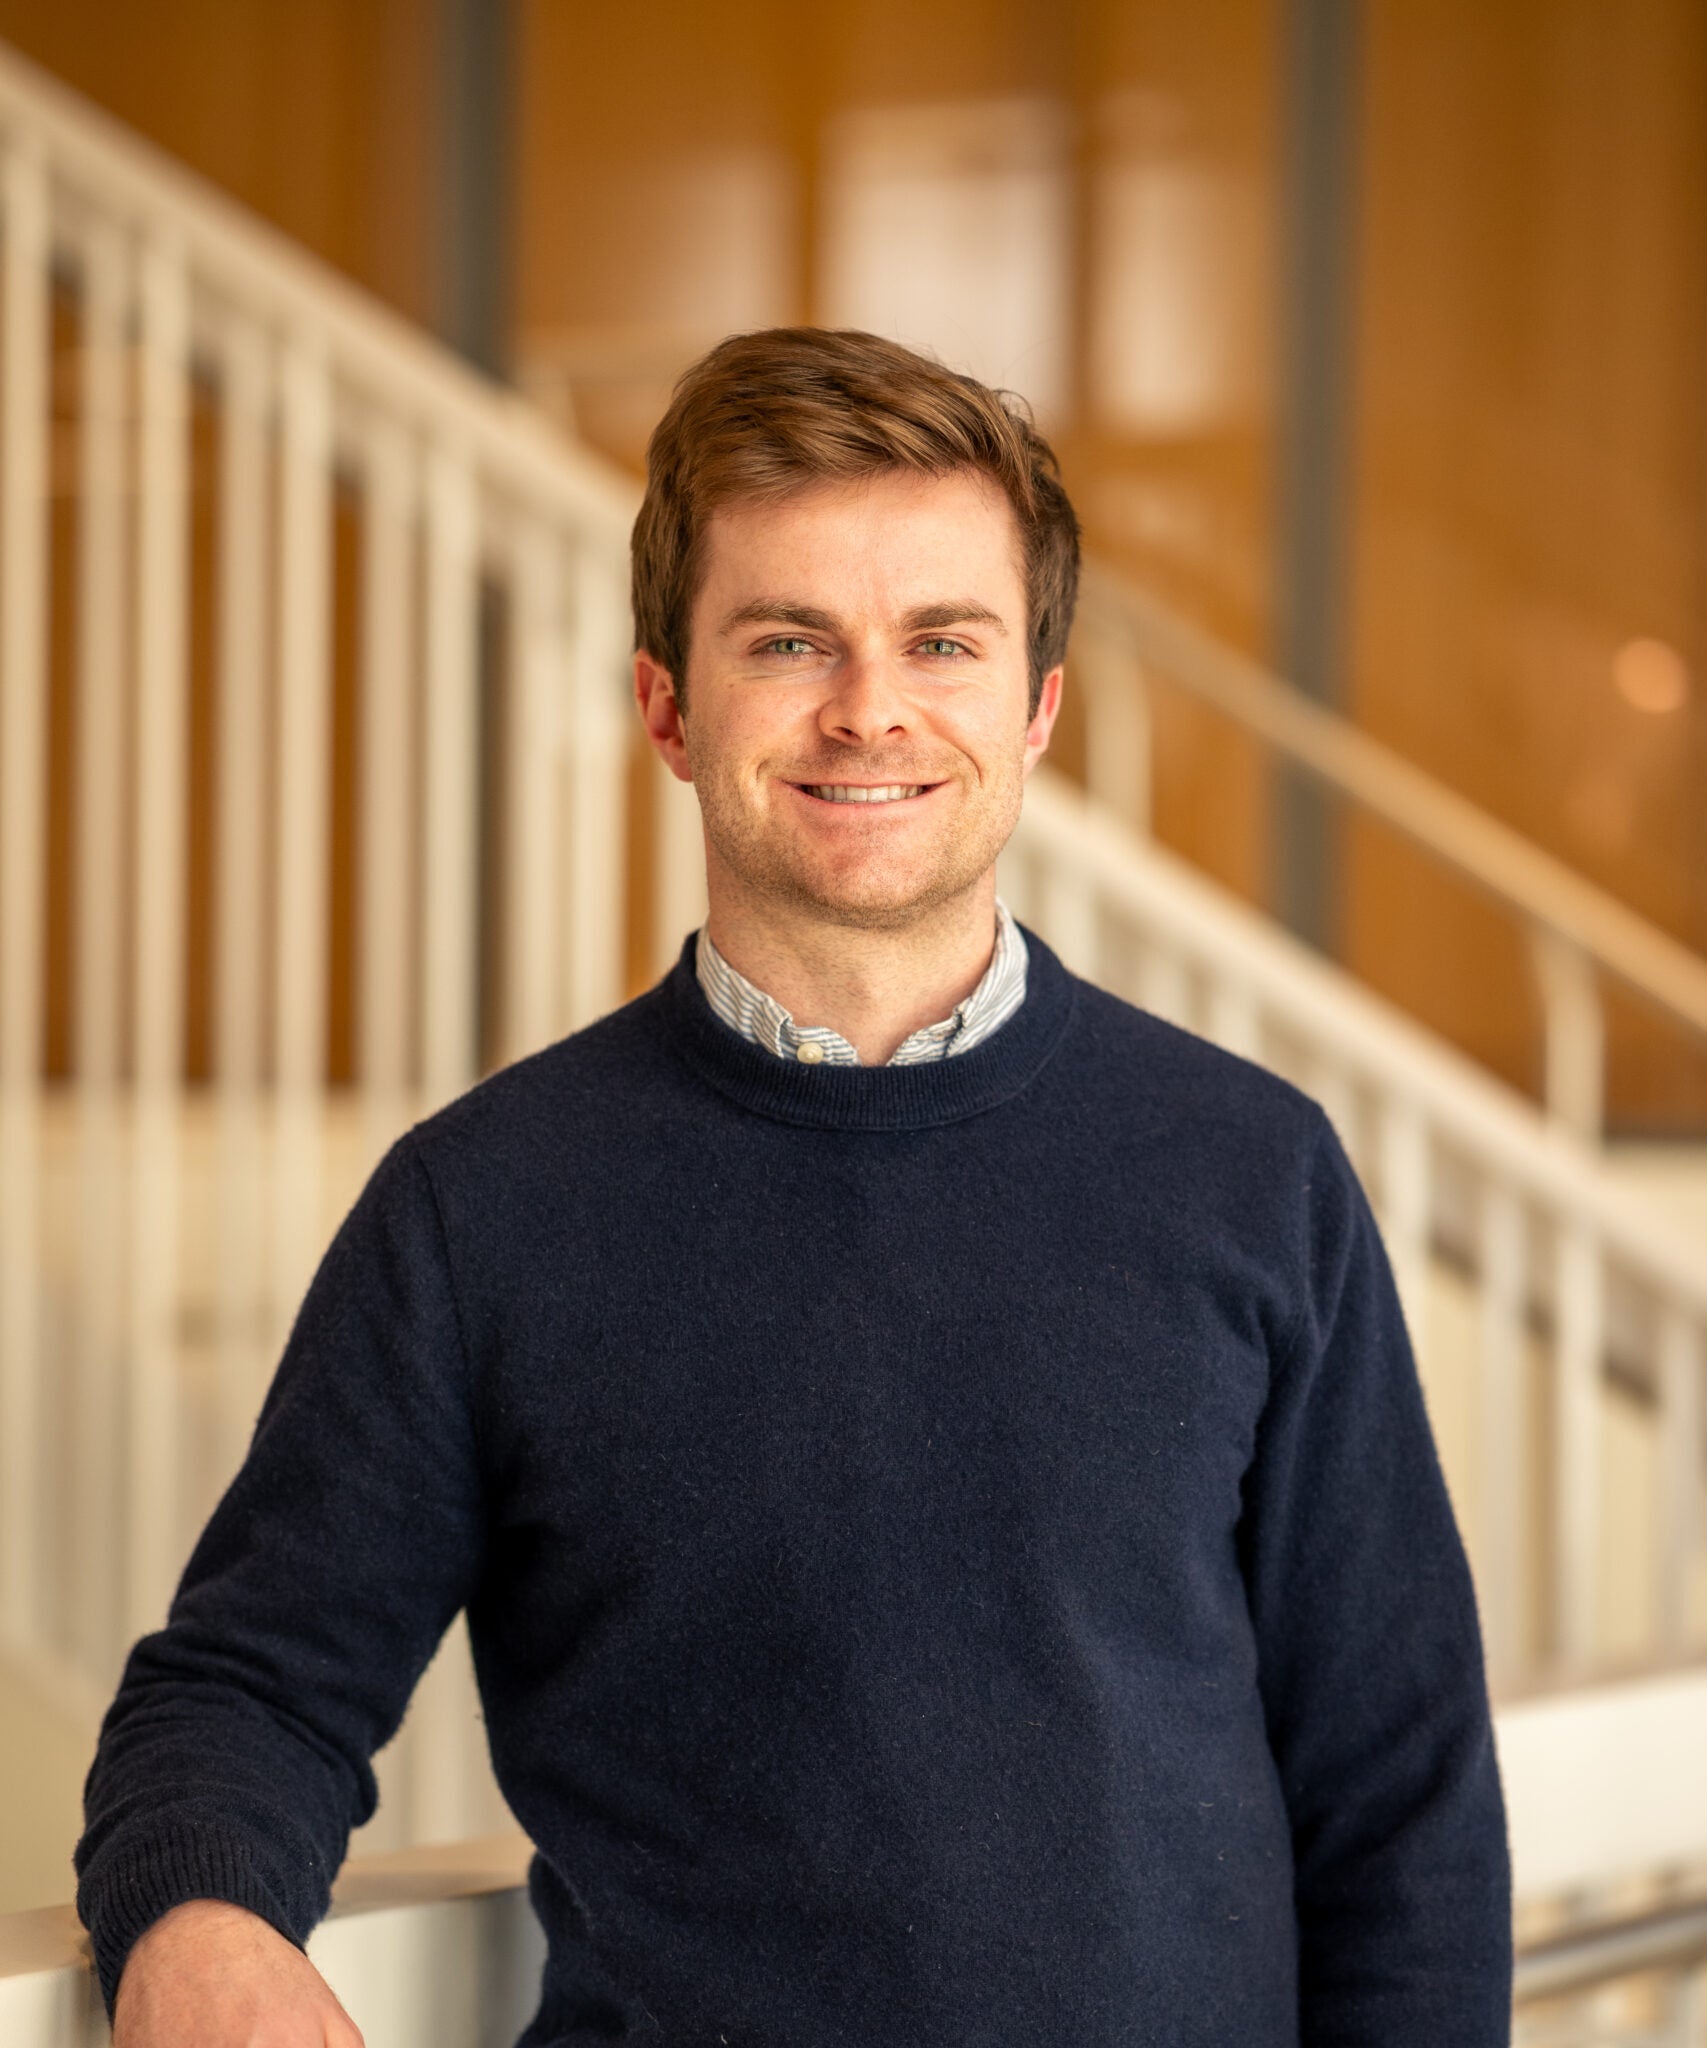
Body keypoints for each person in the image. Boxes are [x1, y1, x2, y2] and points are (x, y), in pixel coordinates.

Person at [77, 326, 1512, 2046]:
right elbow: (244, 1688)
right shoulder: (483, 1213)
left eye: (942, 642)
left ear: (1037, 707)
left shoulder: (1256, 1175)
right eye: (789, 642)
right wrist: (203, 1922)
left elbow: (1401, 1799)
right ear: (669, 709)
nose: (871, 708)